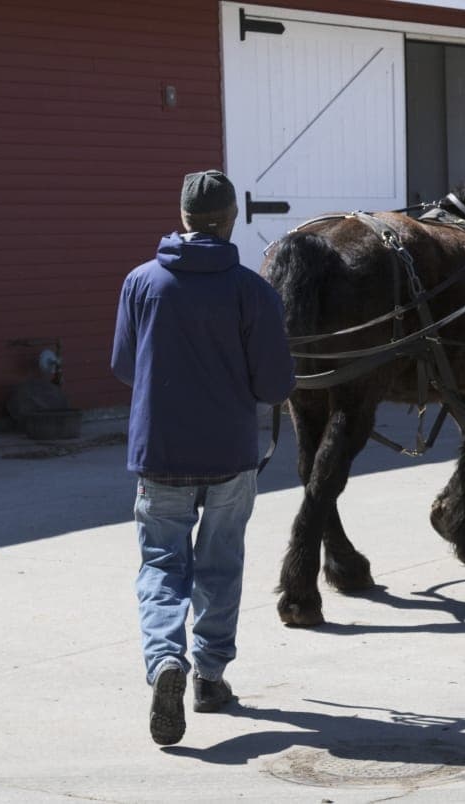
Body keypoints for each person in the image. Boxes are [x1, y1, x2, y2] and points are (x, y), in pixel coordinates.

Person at [111, 170, 295, 746]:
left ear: (184, 218)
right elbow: (274, 384)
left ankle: (167, 659)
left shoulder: (141, 283)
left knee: (162, 565)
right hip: (229, 457)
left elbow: (123, 365)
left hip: (159, 454)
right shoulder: (251, 290)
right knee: (220, 567)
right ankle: (210, 678)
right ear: (231, 219)